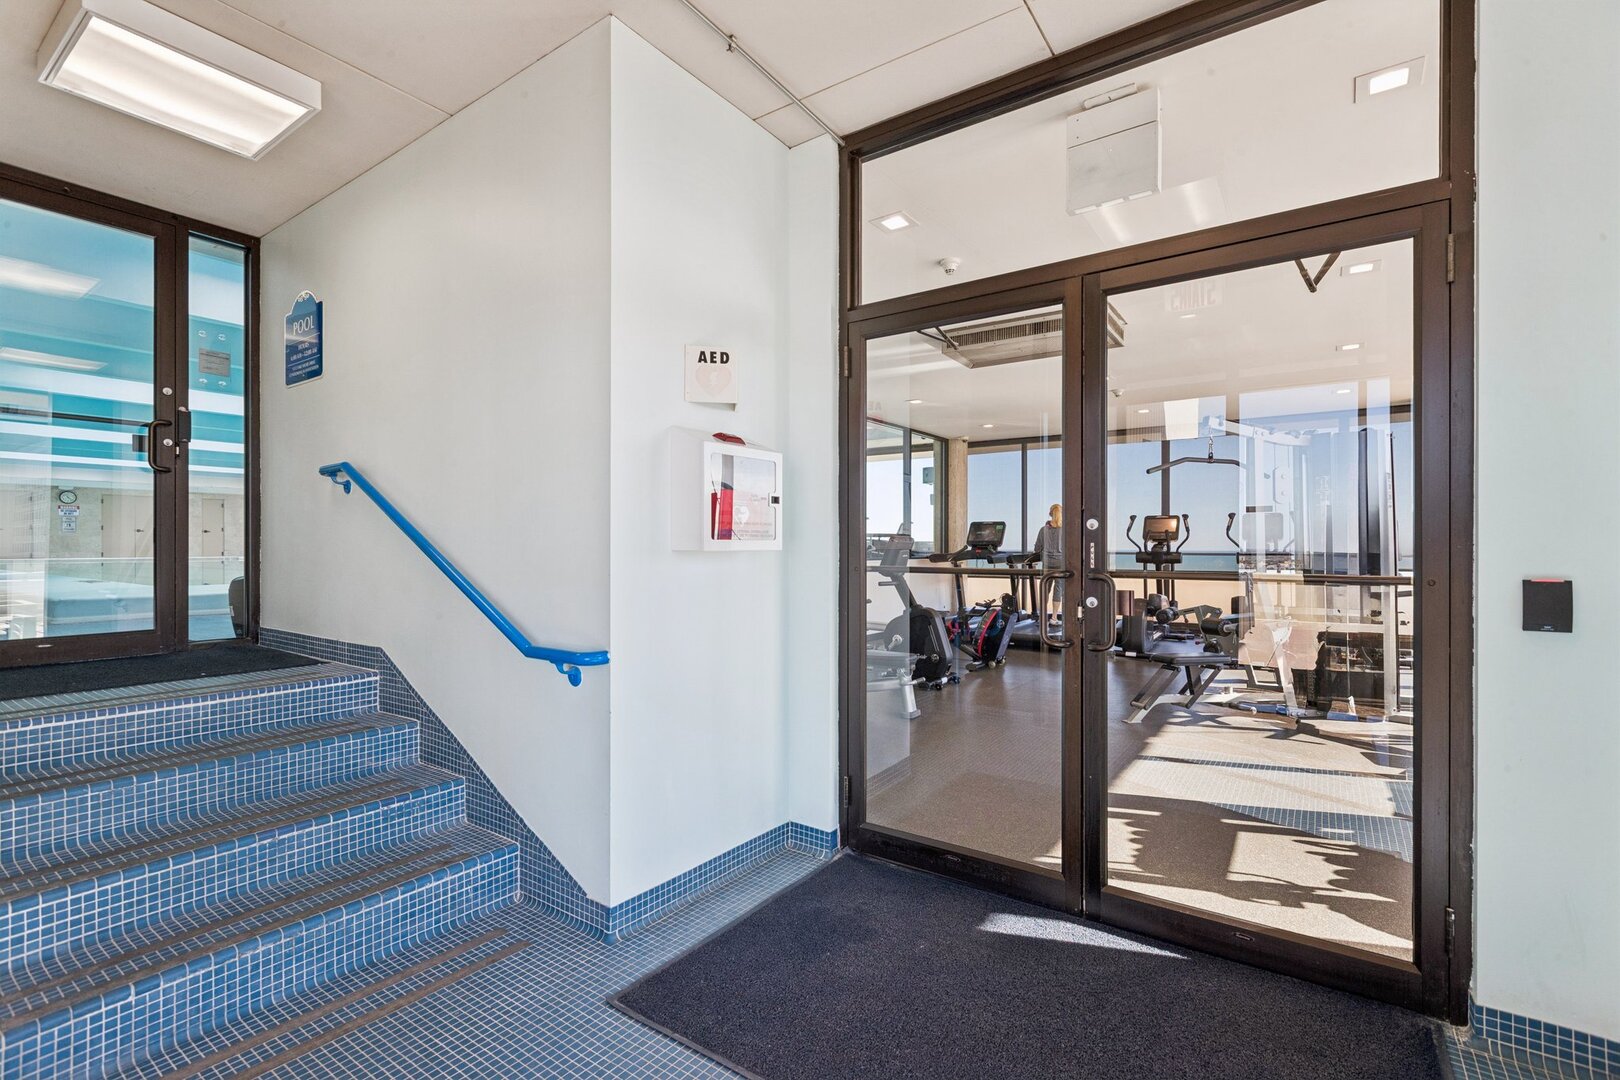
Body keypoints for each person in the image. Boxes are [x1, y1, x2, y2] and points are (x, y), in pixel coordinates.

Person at [1032, 503, 1064, 618]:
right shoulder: (1065, 530)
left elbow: (1037, 549)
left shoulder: (1043, 530)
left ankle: (1042, 615)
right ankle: (1054, 617)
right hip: (1061, 562)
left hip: (1047, 562)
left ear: (1050, 514)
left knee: (1046, 587)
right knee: (1059, 588)